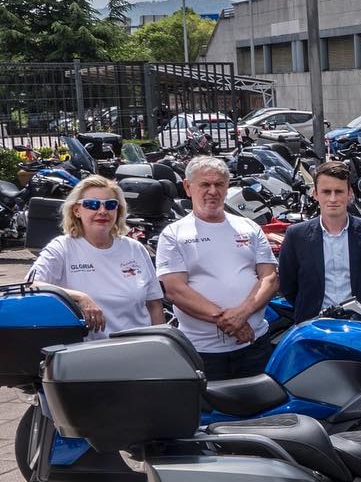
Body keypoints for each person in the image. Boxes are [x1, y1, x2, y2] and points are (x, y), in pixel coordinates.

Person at [156, 157, 278, 379]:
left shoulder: (249, 227)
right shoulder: (173, 234)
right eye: (204, 184)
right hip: (203, 352)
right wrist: (230, 322)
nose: (212, 191)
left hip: (254, 344)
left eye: (219, 184)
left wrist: (242, 313)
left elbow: (269, 277)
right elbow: (175, 290)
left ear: (227, 187)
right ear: (187, 187)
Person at [27, 174, 163, 339]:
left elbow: (154, 305)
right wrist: (80, 297)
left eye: (110, 205)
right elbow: (30, 285)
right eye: (92, 204)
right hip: (88, 350)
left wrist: (160, 341)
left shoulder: (135, 248)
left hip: (140, 346)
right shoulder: (62, 247)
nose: (102, 211)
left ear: (118, 210)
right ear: (77, 210)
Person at [277, 160, 361, 323]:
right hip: (314, 324)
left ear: (349, 193)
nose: (333, 198)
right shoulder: (296, 235)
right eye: (326, 192)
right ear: (315, 194)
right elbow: (288, 285)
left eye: (339, 191)